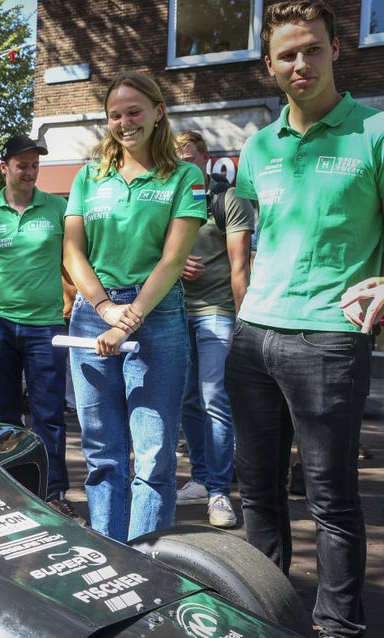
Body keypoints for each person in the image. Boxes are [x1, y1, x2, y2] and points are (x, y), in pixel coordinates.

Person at [226, 3, 381, 635]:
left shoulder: (374, 132)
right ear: (269, 64)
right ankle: (264, 613)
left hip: (329, 338)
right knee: (257, 494)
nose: (300, 63)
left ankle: (336, 627)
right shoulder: (259, 147)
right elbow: (254, 238)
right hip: (254, 335)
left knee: (330, 500)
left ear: (336, 50)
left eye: (312, 49)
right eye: (287, 53)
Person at [63, 71, 206, 542]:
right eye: (115, 115)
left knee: (154, 454)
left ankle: (147, 563)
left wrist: (130, 319)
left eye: (134, 111)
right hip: (93, 315)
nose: (124, 122)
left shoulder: (185, 176)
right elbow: (72, 252)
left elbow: (173, 259)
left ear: (158, 112)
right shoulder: (89, 176)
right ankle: (108, 552)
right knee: (103, 452)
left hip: (157, 315)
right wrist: (104, 308)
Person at [0, 134, 78, 519]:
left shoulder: (58, 207)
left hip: (46, 326)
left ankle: (54, 492)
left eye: (34, 165)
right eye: (22, 165)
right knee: (5, 415)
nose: (29, 171)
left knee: (48, 415)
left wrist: (83, 298)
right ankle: (10, 490)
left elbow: (77, 257)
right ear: (4, 168)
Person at [173, 131, 255, 529]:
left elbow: (241, 265)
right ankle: (202, 479)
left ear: (206, 159)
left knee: (212, 397)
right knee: (188, 400)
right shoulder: (169, 202)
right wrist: (174, 262)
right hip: (174, 314)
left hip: (217, 313)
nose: (185, 165)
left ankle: (221, 490)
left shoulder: (229, 200)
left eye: (191, 158)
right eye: (177, 159)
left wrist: (245, 323)